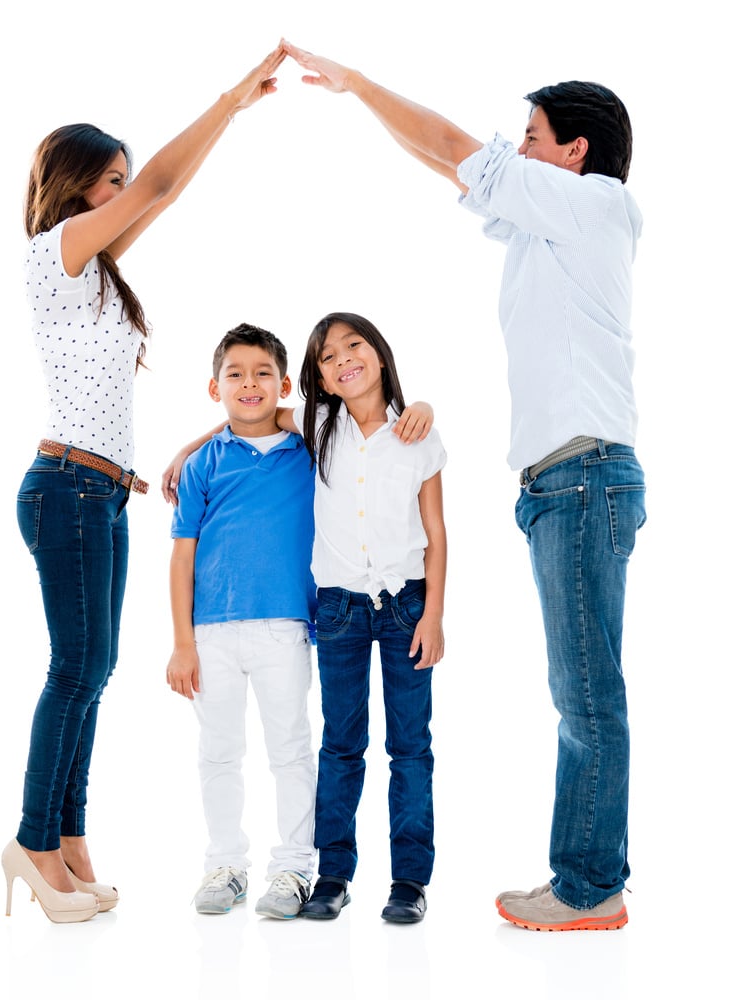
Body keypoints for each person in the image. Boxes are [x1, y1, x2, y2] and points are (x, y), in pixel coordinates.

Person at [282, 41, 646, 932]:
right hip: (561, 481)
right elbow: (451, 164)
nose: (513, 148)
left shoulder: (594, 202)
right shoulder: (546, 221)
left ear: (574, 151)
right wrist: (377, 115)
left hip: (581, 475)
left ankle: (589, 889)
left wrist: (358, 83)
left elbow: (452, 145)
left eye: (530, 135)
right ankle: (586, 881)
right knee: (581, 689)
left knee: (586, 693)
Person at [3, 46, 287, 925]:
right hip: (66, 490)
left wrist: (206, 432)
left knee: (94, 670)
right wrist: (231, 100)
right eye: (109, 180)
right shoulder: (55, 253)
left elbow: (164, 190)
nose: (123, 193)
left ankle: (69, 839)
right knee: (74, 667)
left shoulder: (97, 268)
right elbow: (160, 187)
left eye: (123, 179)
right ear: (75, 184)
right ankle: (31, 842)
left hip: (102, 493)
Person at [277, 312, 447, 924]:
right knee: (341, 746)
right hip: (340, 609)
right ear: (319, 376)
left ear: (379, 352)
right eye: (327, 356)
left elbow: (435, 533)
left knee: (410, 748)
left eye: (354, 345)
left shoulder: (417, 432)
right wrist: (191, 449)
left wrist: (433, 615)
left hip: (405, 605)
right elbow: (249, 414)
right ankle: (333, 875)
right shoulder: (317, 424)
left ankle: (408, 882)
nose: (343, 359)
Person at [165, 323, 318, 920]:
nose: (248, 384)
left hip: (285, 626)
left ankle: (292, 870)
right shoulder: (204, 465)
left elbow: (325, 416)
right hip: (212, 633)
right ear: (214, 386)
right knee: (219, 752)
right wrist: (183, 643)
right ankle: (224, 866)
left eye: (262, 374)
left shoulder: (308, 448)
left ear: (282, 385)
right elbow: (182, 557)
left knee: (291, 750)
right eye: (235, 374)